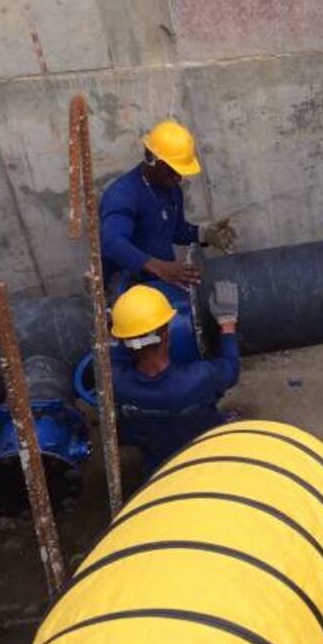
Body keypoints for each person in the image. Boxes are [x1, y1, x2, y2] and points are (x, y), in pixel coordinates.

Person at [109, 281, 241, 473]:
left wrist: (118, 322)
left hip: (159, 467)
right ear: (166, 334)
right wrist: (227, 322)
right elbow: (232, 367)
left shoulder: (115, 383)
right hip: (206, 455)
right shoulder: (198, 379)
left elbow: (116, 355)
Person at [99, 119, 234, 292]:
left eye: (181, 172)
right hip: (129, 290)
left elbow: (174, 230)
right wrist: (160, 268)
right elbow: (112, 242)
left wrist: (203, 234)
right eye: (172, 170)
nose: (178, 178)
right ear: (151, 159)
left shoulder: (171, 189)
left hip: (161, 283)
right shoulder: (123, 194)